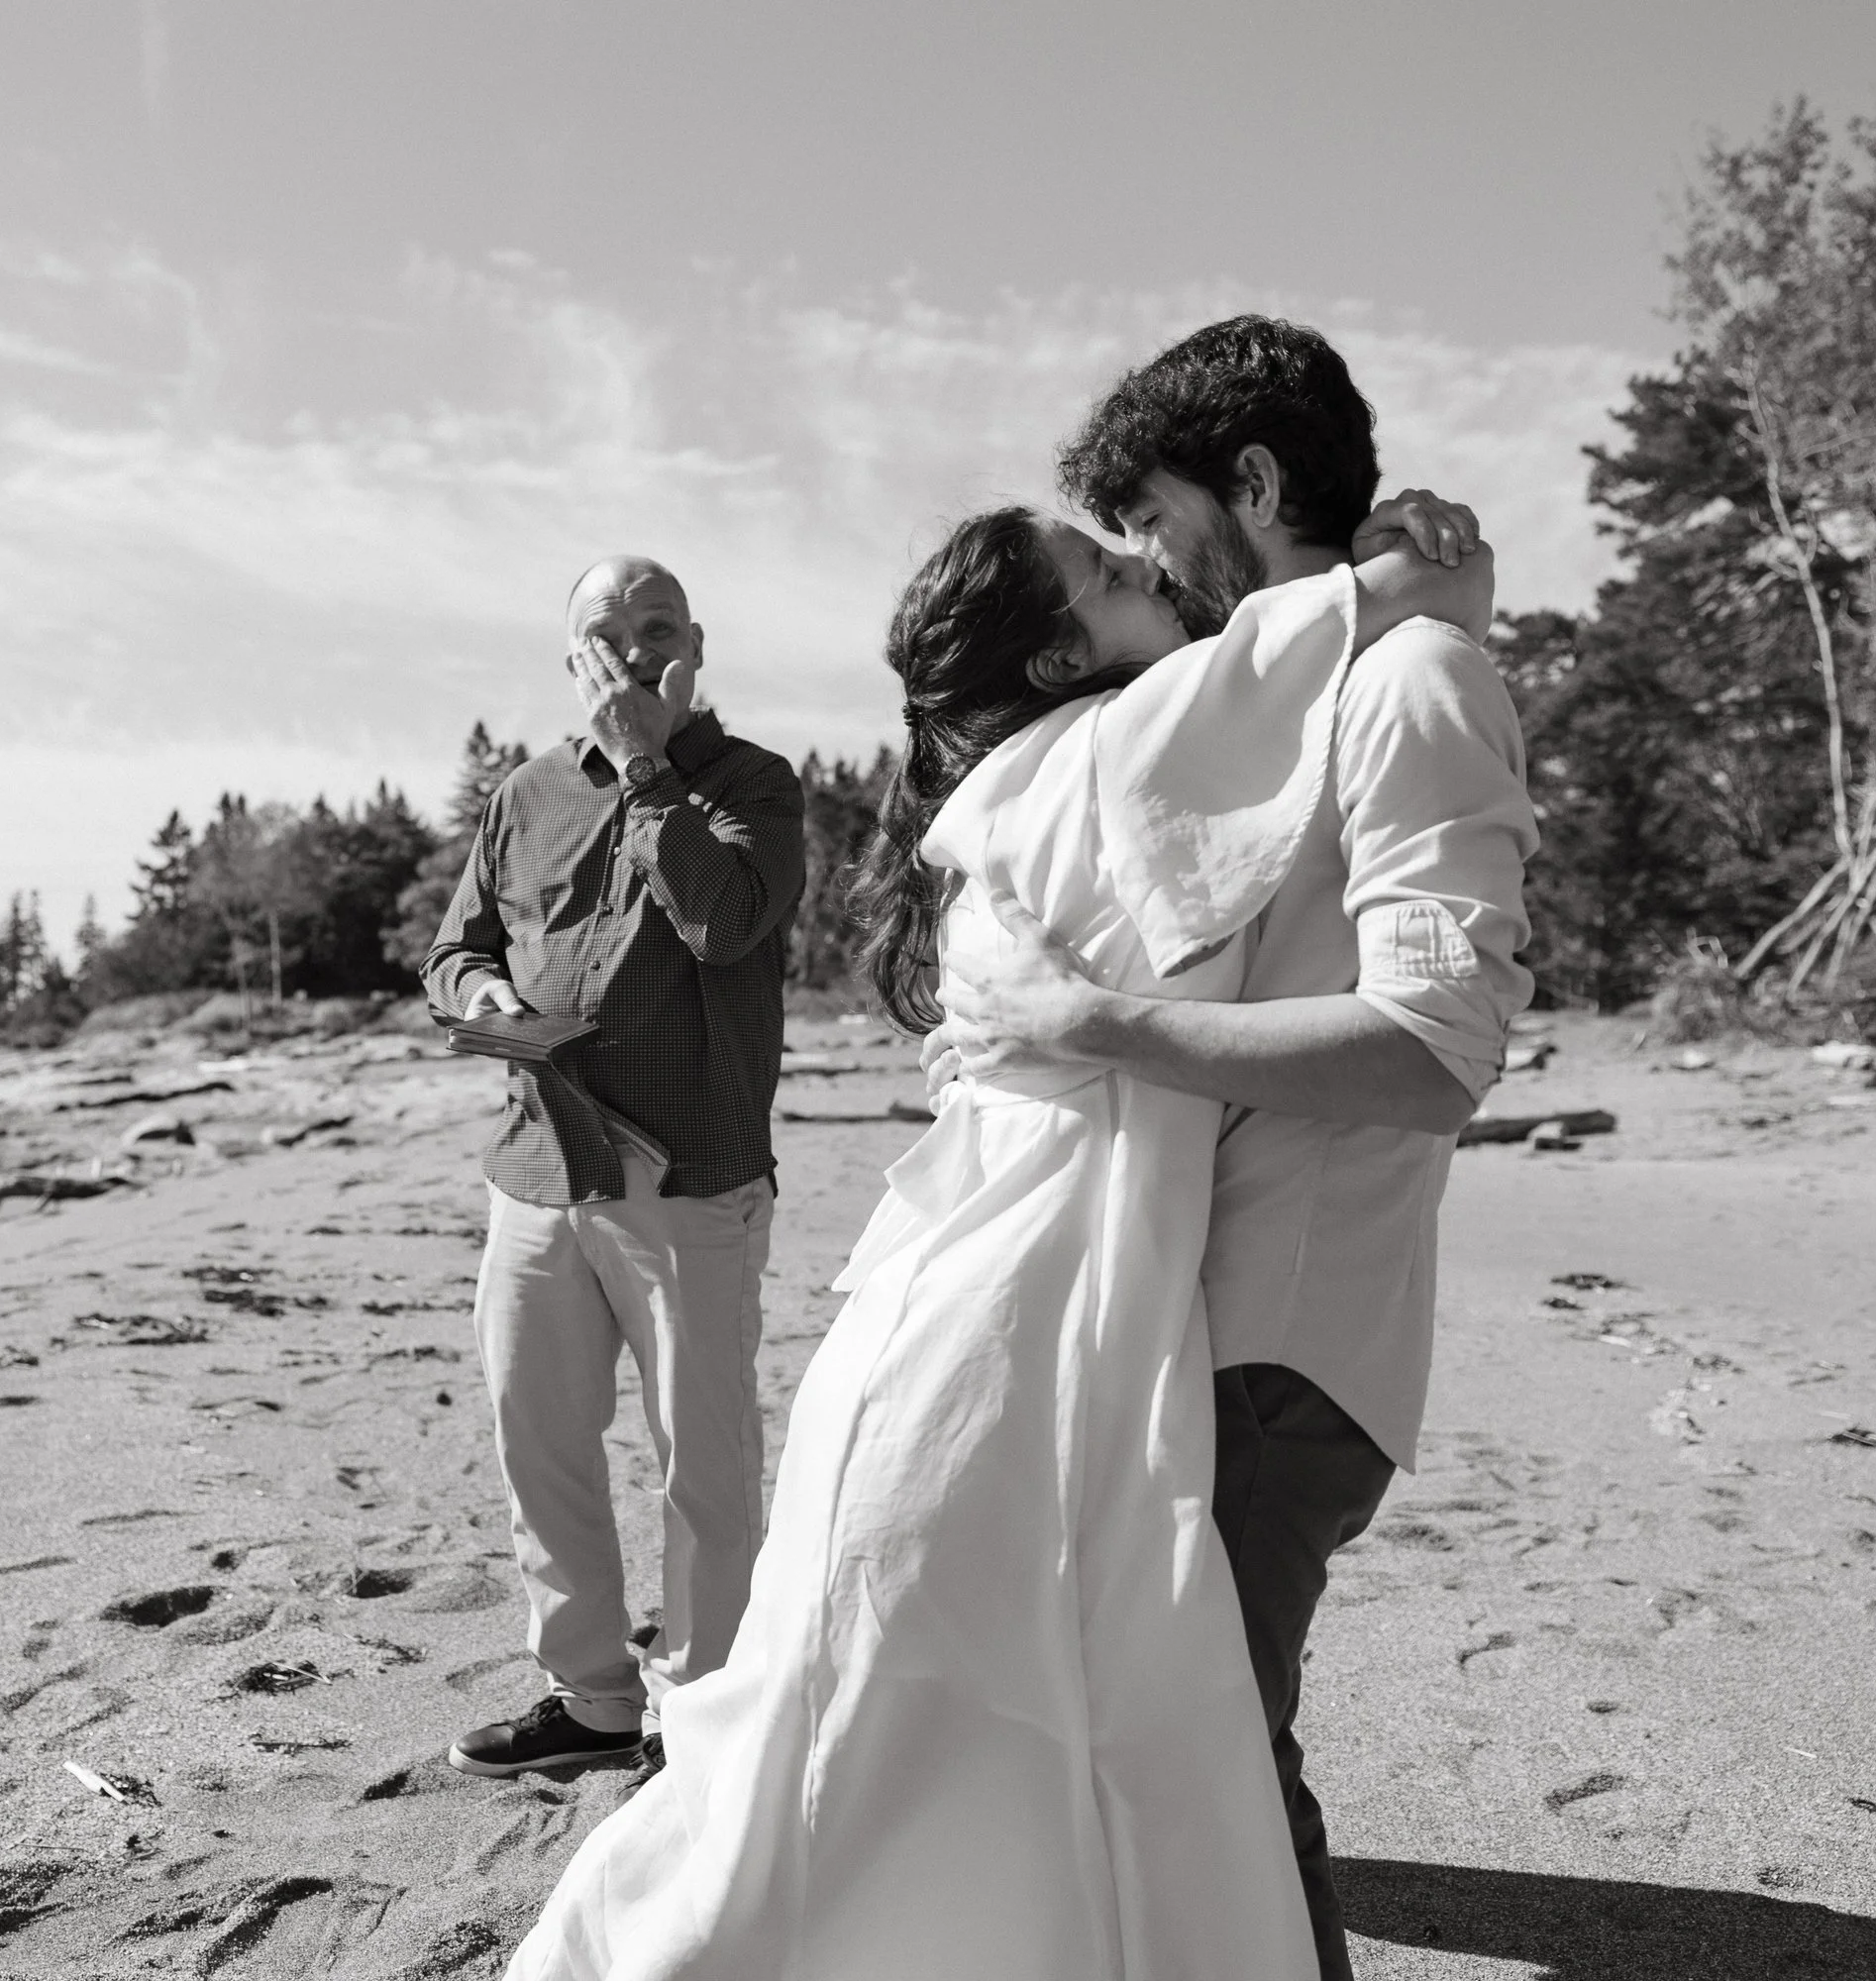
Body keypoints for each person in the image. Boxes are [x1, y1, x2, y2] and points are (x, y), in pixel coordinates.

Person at [503, 497, 1491, 1979]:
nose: (1145, 568)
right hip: (1002, 1330)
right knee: (898, 1729)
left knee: (917, 1724)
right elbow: (1327, 631)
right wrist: (1424, 574)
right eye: (1103, 571)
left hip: (1004, 1312)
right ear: (1045, 660)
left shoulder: (1034, 776)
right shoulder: (1105, 752)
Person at [935, 316, 1538, 1981]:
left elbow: (1435, 1050)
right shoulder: (1284, 688)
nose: (1146, 561)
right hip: (1197, 1327)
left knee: (1213, 1790)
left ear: (1253, 483)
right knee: (1166, 1775)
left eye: (1156, 519)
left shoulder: (1413, 682)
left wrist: (1095, 1030)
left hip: (1281, 1348)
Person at [426, 555, 806, 1781]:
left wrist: (647, 765)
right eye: (607, 632)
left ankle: (700, 1711)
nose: (633, 650)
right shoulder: (522, 792)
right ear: (571, 653)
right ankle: (589, 1696)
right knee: (537, 1438)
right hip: (537, 1168)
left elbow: (723, 921)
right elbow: (455, 951)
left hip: (689, 1175)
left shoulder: (754, 782)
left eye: (656, 628)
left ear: (695, 643)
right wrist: (484, 993)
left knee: (702, 1459)